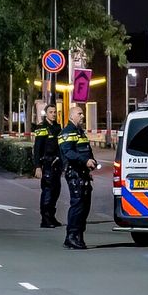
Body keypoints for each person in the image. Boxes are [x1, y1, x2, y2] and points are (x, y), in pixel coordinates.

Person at [57, 105, 97, 249]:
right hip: (74, 173)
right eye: (79, 114)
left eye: (82, 114)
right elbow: (68, 153)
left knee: (85, 206)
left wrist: (92, 160)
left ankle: (79, 235)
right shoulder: (66, 133)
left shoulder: (80, 133)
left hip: (83, 174)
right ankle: (71, 237)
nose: (82, 116)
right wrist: (85, 161)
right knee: (77, 205)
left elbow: (87, 150)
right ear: (71, 116)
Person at [31, 105, 63, 228]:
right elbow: (37, 148)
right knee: (48, 191)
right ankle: (45, 219)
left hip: (56, 164)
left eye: (55, 112)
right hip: (47, 164)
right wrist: (37, 166)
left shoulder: (57, 127)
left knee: (56, 191)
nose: (53, 114)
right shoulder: (42, 127)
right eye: (51, 112)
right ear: (46, 114)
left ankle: (52, 216)